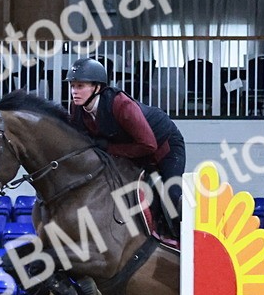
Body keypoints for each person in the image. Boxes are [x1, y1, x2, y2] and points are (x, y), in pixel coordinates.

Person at [66, 57, 186, 227]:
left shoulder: (121, 104)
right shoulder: (77, 108)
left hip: (164, 146)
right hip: (132, 151)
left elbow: (148, 145)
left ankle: (182, 241)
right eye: (72, 86)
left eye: (80, 86)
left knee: (172, 193)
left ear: (97, 87)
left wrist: (109, 147)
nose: (74, 92)